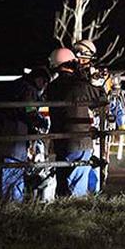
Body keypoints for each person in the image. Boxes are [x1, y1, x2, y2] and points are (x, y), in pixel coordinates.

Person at [0, 68, 51, 201]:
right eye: (45, 82)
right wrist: (41, 122)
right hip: (12, 138)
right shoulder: (29, 90)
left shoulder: (16, 85)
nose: (45, 86)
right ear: (39, 80)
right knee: (12, 174)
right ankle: (11, 205)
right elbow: (29, 110)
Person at [46, 48, 106, 197]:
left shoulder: (52, 87)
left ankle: (63, 214)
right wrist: (96, 82)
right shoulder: (80, 85)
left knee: (63, 184)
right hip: (80, 141)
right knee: (77, 187)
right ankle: (76, 214)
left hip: (60, 141)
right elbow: (102, 99)